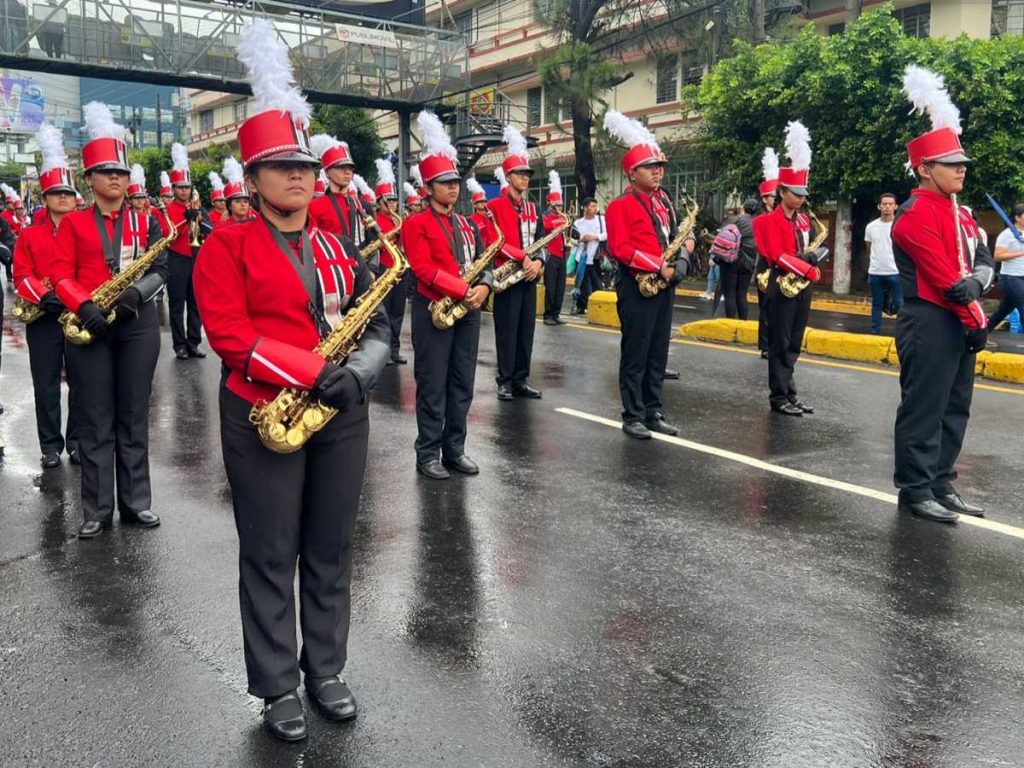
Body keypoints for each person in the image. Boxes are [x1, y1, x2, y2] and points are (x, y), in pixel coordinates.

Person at [193, 20, 391, 742]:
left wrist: (359, 375)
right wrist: (317, 372)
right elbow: (231, 338)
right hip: (263, 412)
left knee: (332, 546)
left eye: (304, 164)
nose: (298, 175)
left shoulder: (338, 242)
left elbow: (377, 321)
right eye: (280, 166)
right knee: (272, 552)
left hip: (340, 411)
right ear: (251, 180)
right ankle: (277, 684)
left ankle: (326, 669)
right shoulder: (224, 246)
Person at [49, 101, 167, 539]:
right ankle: (97, 509)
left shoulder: (146, 222)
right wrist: (84, 307)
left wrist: (135, 294)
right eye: (105, 171)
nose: (115, 177)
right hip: (90, 325)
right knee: (95, 418)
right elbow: (59, 273)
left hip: (137, 326)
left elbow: (161, 269)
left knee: (133, 414)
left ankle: (136, 503)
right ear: (90, 178)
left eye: (121, 171)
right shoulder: (73, 224)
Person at [890, 65, 995, 524]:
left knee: (955, 406)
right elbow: (948, 280)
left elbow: (983, 258)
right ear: (925, 169)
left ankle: (940, 481)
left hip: (960, 316)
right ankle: (915, 489)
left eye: (962, 163)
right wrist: (977, 315)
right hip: (931, 319)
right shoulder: (914, 214)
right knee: (924, 408)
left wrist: (980, 282)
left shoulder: (963, 212)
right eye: (952, 164)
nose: (961, 169)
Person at [401, 111, 492, 480]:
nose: (453, 188)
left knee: (462, 383)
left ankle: (455, 450)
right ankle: (427, 453)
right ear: (428, 188)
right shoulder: (415, 224)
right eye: (445, 182)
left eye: (455, 181)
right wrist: (464, 289)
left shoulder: (468, 224)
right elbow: (423, 269)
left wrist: (484, 286)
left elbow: (484, 260)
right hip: (434, 309)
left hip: (467, 308)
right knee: (433, 383)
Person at [603, 110, 693, 439]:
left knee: (658, 351)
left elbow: (676, 235)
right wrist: (658, 266)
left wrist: (684, 254)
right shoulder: (619, 205)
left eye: (659, 166)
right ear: (632, 173)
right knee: (636, 353)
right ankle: (633, 415)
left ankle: (653, 411)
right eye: (650, 167)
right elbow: (620, 248)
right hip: (637, 285)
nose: (658, 172)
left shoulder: (663, 201)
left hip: (664, 283)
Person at [11, 122, 79, 467]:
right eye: (56, 193)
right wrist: (44, 296)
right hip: (44, 316)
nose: (63, 198)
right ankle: (50, 446)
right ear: (45, 198)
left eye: (68, 192)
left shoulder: (86, 230)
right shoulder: (29, 235)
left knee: (82, 382)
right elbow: (21, 274)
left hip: (79, 314)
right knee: (46, 384)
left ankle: (77, 442)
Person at [759, 121, 824, 417]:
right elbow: (776, 256)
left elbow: (804, 249)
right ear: (782, 191)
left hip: (801, 285)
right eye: (796, 193)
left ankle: (790, 393)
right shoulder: (769, 220)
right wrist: (807, 269)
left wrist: (814, 258)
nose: (801, 198)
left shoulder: (802, 219)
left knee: (794, 342)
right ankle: (778, 396)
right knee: (780, 343)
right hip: (783, 282)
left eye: (803, 194)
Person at [482, 126, 546, 401]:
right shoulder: (494, 206)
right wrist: (523, 257)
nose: (525, 178)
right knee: (507, 331)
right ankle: (505, 380)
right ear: (508, 176)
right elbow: (493, 242)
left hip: (529, 276)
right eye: (520, 174)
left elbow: (542, 240)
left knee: (526, 330)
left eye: (527, 174)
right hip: (506, 276)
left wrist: (539, 263)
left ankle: (521, 379)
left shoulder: (533, 207)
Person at [165, 142, 208, 360]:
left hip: (196, 257)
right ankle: (179, 345)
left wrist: (200, 218)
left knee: (195, 303)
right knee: (176, 305)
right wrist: (184, 220)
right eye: (180, 187)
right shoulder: (167, 210)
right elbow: (168, 235)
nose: (184, 191)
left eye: (187, 187)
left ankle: (193, 343)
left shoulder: (197, 207)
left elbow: (208, 229)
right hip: (176, 258)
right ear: (173, 189)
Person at [373, 158, 408, 365]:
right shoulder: (374, 222)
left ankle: (395, 350)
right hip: (384, 269)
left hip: (400, 270)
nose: (393, 204)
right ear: (380, 202)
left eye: (395, 200)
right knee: (384, 313)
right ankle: (384, 351)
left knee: (398, 312)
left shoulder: (398, 220)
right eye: (389, 200)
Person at [753, 147, 779, 358]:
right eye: (773, 196)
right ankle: (765, 345)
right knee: (766, 308)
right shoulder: (761, 219)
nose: (776, 199)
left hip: (782, 266)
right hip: (766, 266)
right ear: (764, 199)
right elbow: (763, 247)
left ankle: (777, 343)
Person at [864, 193, 902, 334]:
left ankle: (901, 333)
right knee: (877, 304)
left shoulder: (899, 225)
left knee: (899, 304)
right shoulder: (871, 227)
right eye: (884, 204)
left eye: (890, 204)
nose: (887, 207)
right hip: (876, 272)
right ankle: (875, 332)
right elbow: (869, 248)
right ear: (879, 206)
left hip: (895, 271)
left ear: (896, 206)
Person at [986, 203, 1024, 335]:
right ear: (1017, 218)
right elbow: (997, 256)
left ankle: (982, 333)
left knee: (1004, 309)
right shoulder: (1007, 234)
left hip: (1022, 275)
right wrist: (1020, 253)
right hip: (1011, 277)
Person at [719, 199, 758, 320]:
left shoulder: (735, 220)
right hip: (749, 263)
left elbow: (722, 236)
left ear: (743, 208)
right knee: (742, 294)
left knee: (730, 294)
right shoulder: (758, 223)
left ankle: (731, 323)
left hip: (732, 260)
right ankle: (742, 323)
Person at [542, 171, 570, 325]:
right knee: (551, 286)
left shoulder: (563, 218)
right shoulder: (547, 218)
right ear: (551, 205)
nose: (560, 207)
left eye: (561, 205)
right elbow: (547, 226)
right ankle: (548, 315)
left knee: (560, 286)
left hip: (562, 254)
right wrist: (562, 222)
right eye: (557, 205)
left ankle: (556, 313)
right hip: (551, 255)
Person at [571, 197, 607, 314]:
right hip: (581, 257)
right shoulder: (578, 223)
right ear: (585, 208)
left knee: (597, 283)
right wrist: (581, 240)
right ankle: (581, 306)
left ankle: (599, 307)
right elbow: (572, 239)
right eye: (592, 206)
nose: (595, 209)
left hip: (595, 257)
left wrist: (595, 237)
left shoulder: (601, 220)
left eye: (596, 206)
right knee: (581, 283)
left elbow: (607, 234)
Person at [217, 156, 254, 228]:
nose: (243, 204)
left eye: (246, 201)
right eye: (237, 201)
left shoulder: (256, 220)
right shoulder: (223, 228)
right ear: (230, 206)